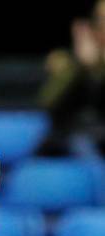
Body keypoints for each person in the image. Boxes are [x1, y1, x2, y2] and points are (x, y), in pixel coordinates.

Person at [38, 0, 105, 157]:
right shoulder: (67, 61)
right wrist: (81, 68)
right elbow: (47, 103)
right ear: (92, 28)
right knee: (83, 144)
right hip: (75, 136)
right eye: (102, 21)